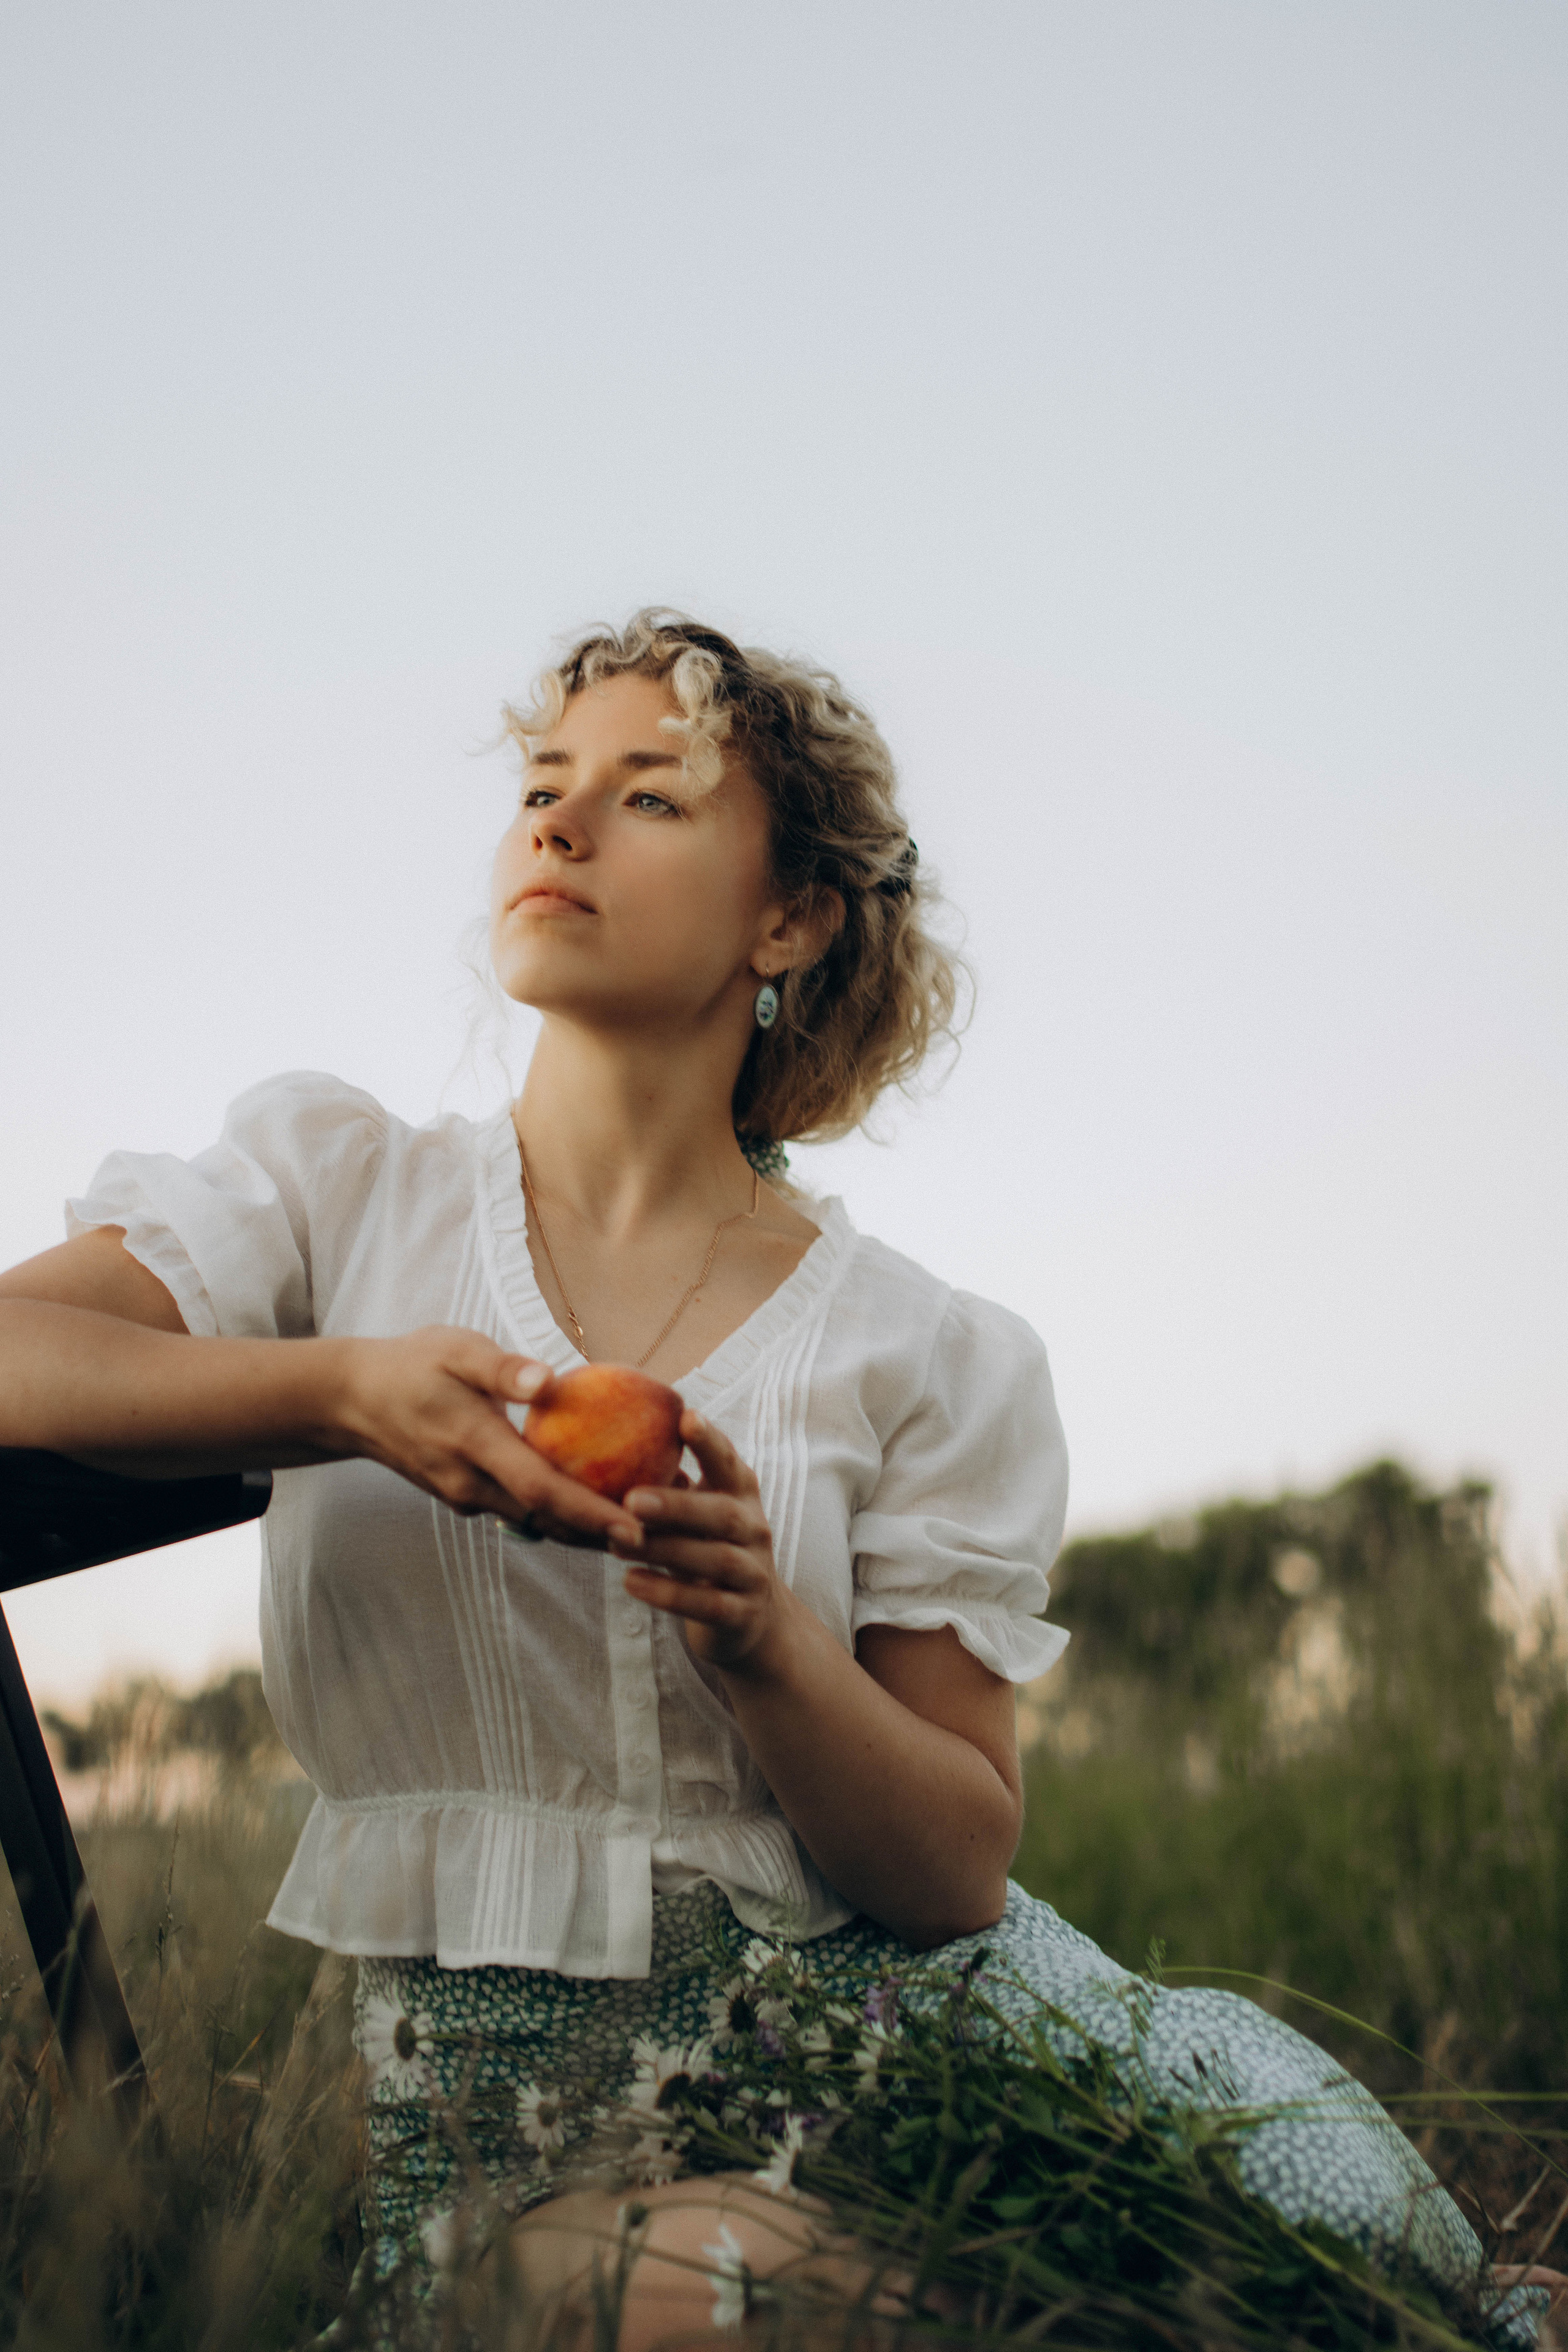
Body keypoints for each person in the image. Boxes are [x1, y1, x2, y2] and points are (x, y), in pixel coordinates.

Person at [0, 614, 1547, 2348]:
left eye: (649, 797)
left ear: (790, 918)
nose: (562, 826)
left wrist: (761, 1638)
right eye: (541, 785)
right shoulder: (339, 1197)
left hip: (899, 2059)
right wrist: (340, 1390)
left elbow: (957, 1867)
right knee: (745, 2304)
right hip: (492, 2134)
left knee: (1285, 2286)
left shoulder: (927, 1351)